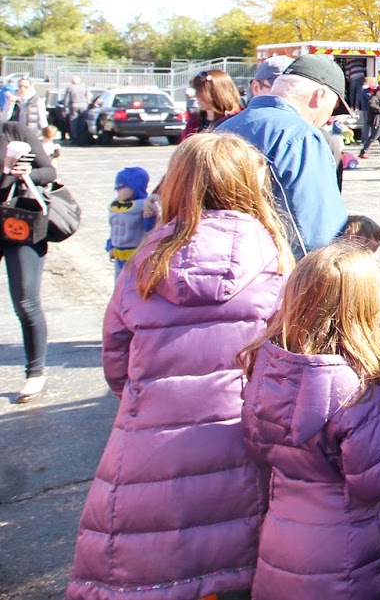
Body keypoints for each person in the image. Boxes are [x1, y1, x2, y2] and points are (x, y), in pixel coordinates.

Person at [66, 133, 293, 600]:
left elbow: (116, 361)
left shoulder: (143, 262)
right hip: (241, 439)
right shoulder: (272, 259)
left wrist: (150, 396)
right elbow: (287, 360)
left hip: (150, 443)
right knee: (243, 560)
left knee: (155, 562)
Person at [241, 244, 380, 599]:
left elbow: (258, 447)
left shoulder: (267, 368)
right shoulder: (356, 390)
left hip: (280, 546)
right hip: (346, 561)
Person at [217, 54, 350, 258]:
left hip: (221, 262)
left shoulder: (220, 130)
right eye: (332, 109)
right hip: (277, 267)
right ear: (319, 96)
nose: (327, 118)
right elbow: (318, 232)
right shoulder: (301, 136)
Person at [1, 121, 55, 402]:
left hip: (19, 222)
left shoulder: (13, 132)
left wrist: (26, 173)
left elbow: (49, 171)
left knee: (25, 300)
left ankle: (35, 373)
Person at [105, 166, 155, 280]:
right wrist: (110, 245)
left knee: (133, 287)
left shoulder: (144, 206)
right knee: (119, 287)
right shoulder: (115, 205)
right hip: (118, 256)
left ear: (134, 186)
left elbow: (151, 231)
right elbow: (113, 230)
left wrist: (149, 217)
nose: (117, 189)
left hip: (136, 257)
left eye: (121, 186)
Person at [182, 67, 245, 141]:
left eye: (200, 92)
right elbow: (184, 145)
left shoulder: (240, 119)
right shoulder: (194, 121)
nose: (196, 96)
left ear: (216, 93)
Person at [359, 82, 380, 162]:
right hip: (379, 121)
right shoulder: (374, 98)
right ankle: (363, 152)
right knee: (373, 137)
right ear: (378, 91)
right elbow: (371, 105)